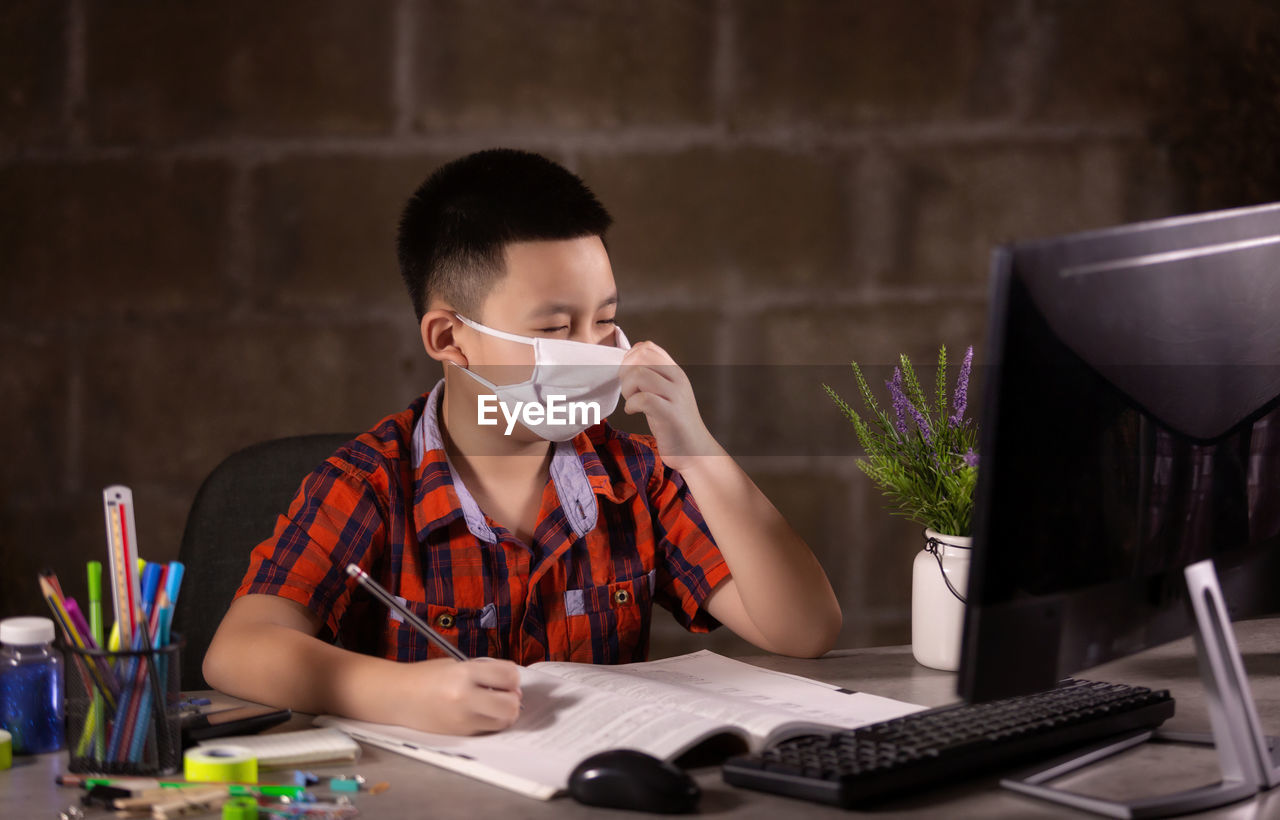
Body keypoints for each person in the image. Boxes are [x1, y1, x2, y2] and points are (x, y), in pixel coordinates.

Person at [203, 149, 841, 735]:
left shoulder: (634, 476)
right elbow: (238, 651)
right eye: (558, 327)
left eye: (607, 320)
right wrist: (399, 693)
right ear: (450, 340)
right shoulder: (367, 485)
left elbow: (804, 629)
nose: (593, 350)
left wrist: (697, 449)